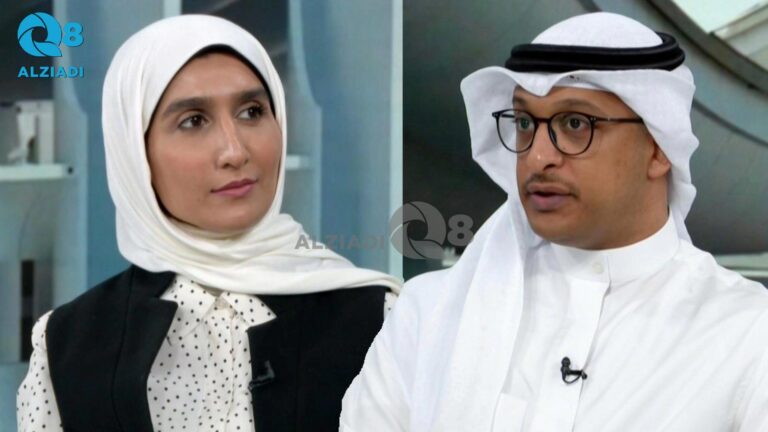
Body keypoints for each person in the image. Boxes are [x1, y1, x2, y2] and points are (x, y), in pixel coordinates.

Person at [340, 12, 768, 432]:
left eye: (576, 124)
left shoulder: (746, 332)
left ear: (659, 148)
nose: (537, 156)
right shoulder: (427, 314)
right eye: (526, 123)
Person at [16, 14, 400, 432]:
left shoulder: (378, 317)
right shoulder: (65, 344)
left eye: (252, 112)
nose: (235, 151)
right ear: (135, 153)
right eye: (193, 121)